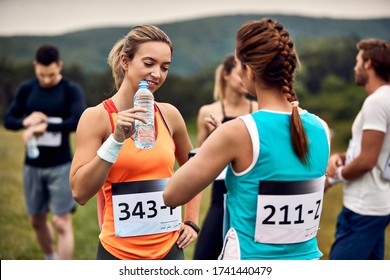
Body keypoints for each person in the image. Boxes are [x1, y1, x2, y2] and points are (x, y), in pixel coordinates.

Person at [163, 18, 331, 260]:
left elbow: (172, 195)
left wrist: (220, 144)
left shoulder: (237, 133)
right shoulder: (321, 128)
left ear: (249, 71)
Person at [69, 24, 201, 260]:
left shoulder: (169, 115)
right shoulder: (96, 118)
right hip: (118, 253)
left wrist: (191, 221)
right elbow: (80, 192)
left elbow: (195, 169)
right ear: (125, 61)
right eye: (149, 63)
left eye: (165, 67)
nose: (157, 74)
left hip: (169, 251)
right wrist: (116, 140)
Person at [4, 44, 86, 260]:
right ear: (35, 67)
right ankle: (51, 259)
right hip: (32, 165)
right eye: (42, 75)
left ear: (59, 65)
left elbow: (78, 122)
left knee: (61, 221)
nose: (47, 79)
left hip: (61, 165)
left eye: (51, 75)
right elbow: (8, 121)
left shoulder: (71, 90)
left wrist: (46, 126)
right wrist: (25, 121)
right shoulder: (27, 89)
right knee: (36, 220)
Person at [325, 38, 390, 260]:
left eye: (357, 61)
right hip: (379, 205)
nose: (355, 67)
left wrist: (335, 176)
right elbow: (378, 150)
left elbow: (367, 161)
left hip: (363, 208)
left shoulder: (376, 102)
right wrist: (341, 156)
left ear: (369, 63)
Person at [193, 54, 257, 260]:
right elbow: (199, 155)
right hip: (220, 193)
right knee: (204, 256)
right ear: (227, 75)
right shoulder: (209, 111)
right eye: (241, 71)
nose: (245, 77)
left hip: (250, 189)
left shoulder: (257, 109)